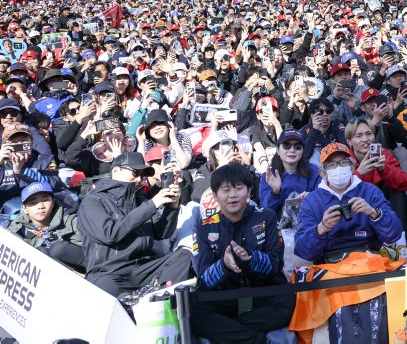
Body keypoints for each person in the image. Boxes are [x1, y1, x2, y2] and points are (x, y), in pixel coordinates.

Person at [192, 163, 296, 344]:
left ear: (249, 191)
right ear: (215, 196)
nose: (232, 195)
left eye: (239, 188)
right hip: (224, 295)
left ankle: (229, 330)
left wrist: (251, 258)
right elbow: (204, 279)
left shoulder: (267, 216)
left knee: (288, 303)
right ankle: (259, 341)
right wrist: (224, 265)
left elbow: (275, 264)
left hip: (263, 292)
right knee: (193, 312)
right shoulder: (204, 226)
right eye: (225, 190)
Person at [77, 151, 191, 299]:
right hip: (109, 272)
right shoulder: (93, 201)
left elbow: (162, 233)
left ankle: (160, 299)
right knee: (104, 285)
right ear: (116, 171)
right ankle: (149, 299)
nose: (138, 179)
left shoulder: (140, 200)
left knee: (184, 256)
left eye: (142, 175)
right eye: (135, 173)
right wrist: (152, 204)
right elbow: (110, 234)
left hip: (143, 268)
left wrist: (172, 207)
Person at [294, 142, 403, 264]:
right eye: (331, 165)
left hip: (369, 260)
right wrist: (322, 228)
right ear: (323, 173)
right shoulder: (312, 200)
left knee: (404, 271)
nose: (339, 168)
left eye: (344, 163)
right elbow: (304, 251)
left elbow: (394, 234)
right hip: (329, 264)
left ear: (352, 167)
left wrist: (374, 214)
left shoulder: (370, 191)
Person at [8, 181, 84, 270]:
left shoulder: (72, 222)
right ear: (25, 209)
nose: (40, 206)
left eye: (45, 200)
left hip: (79, 271)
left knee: (58, 249)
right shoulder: (16, 230)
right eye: (33, 203)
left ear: (53, 202)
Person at [259, 130, 320, 217]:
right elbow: (266, 211)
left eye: (298, 146)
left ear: (302, 151)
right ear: (278, 150)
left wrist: (311, 197)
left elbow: (322, 200)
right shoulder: (268, 176)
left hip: (309, 220)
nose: (292, 150)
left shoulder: (314, 171)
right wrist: (275, 192)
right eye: (286, 145)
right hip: (279, 223)